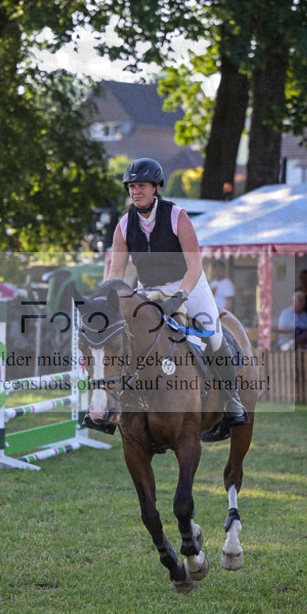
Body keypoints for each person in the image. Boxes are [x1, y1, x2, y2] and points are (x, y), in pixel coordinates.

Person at [108, 157, 249, 425]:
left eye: (141, 186)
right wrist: (107, 301)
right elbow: (115, 274)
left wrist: (180, 297)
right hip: (147, 291)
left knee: (214, 334)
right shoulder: (124, 224)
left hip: (188, 285)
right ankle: (114, 405)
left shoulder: (176, 216)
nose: (135, 191)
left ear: (156, 187)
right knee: (121, 338)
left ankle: (232, 400)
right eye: (131, 186)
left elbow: (195, 266)